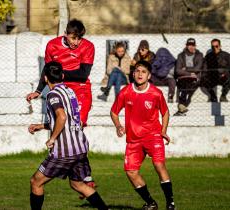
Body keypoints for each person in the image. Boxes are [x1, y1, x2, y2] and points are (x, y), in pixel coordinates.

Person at [25, 18, 96, 192]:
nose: (77, 42)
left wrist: (59, 73)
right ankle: (78, 173)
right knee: (62, 124)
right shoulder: (52, 45)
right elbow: (47, 70)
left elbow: (83, 74)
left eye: (79, 38)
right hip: (58, 88)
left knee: (77, 127)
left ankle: (86, 176)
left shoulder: (88, 46)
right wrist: (39, 90)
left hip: (80, 91)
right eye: (73, 38)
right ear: (66, 34)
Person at [28, 61, 108, 210]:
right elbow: (69, 118)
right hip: (80, 147)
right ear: (63, 75)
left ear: (45, 78)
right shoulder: (69, 91)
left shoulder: (52, 95)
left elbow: (62, 117)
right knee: (77, 184)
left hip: (64, 151)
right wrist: (41, 126)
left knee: (36, 182)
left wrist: (52, 138)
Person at [110, 61, 176, 210]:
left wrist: (163, 130)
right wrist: (118, 125)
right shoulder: (126, 92)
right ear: (133, 74)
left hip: (153, 136)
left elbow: (165, 112)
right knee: (131, 172)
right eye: (137, 71)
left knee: (159, 165)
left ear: (149, 75)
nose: (140, 74)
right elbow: (114, 111)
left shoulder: (155, 93)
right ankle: (151, 203)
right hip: (133, 140)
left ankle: (170, 203)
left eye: (144, 72)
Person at [174, 38, 204, 116]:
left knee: (187, 85)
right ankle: (182, 108)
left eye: (193, 45)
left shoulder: (199, 55)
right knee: (184, 83)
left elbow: (197, 69)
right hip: (183, 78)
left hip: (195, 78)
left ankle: (181, 107)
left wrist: (185, 69)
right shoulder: (181, 55)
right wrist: (190, 73)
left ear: (195, 46)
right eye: (189, 45)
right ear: (186, 46)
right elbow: (177, 70)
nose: (191, 47)